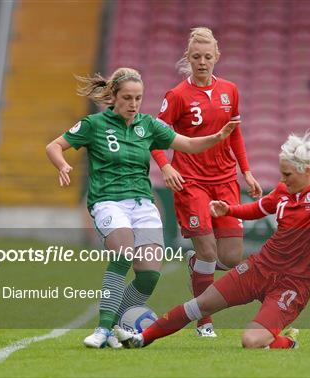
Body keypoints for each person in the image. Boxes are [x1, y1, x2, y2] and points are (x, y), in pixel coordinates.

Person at [45, 67, 239, 349]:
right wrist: (62, 164)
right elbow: (54, 146)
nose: (133, 104)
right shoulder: (93, 125)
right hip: (108, 201)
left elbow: (187, 144)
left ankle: (112, 329)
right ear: (114, 96)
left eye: (138, 98)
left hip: (143, 205)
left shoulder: (148, 125)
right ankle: (102, 330)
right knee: (123, 254)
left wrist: (218, 136)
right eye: (127, 98)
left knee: (148, 275)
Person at [115, 132, 310, 349]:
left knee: (251, 341)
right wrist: (229, 210)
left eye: (287, 174)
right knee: (200, 305)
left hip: (294, 282)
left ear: (306, 171)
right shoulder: (285, 190)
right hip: (260, 267)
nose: (283, 179)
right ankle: (142, 338)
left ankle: (287, 342)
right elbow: (259, 208)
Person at [150, 27, 262, 337]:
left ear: (217, 57)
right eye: (196, 57)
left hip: (226, 181)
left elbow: (235, 132)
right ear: (188, 57)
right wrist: (165, 166)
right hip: (191, 181)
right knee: (210, 254)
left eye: (207, 57)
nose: (202, 62)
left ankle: (196, 263)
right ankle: (204, 321)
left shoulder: (230, 90)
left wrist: (247, 171)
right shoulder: (176, 95)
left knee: (230, 258)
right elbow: (155, 137)